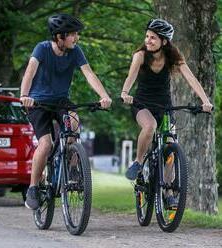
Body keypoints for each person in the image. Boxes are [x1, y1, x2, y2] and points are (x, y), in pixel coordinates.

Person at [20, 13, 112, 210]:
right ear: (59, 36)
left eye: (76, 34)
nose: (76, 38)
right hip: (38, 102)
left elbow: (89, 73)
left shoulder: (75, 51)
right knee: (45, 144)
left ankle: (71, 169)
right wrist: (24, 96)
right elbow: (30, 71)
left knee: (74, 125)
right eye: (72, 35)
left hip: (61, 101)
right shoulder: (42, 49)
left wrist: (104, 96)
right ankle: (34, 187)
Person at [121, 19, 213, 206]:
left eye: (153, 38)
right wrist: (124, 93)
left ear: (164, 41)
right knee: (150, 126)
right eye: (147, 36)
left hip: (164, 106)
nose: (148, 40)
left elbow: (191, 79)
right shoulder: (140, 55)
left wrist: (205, 101)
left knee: (171, 144)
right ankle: (138, 162)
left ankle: (168, 189)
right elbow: (131, 77)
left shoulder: (173, 58)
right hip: (142, 104)